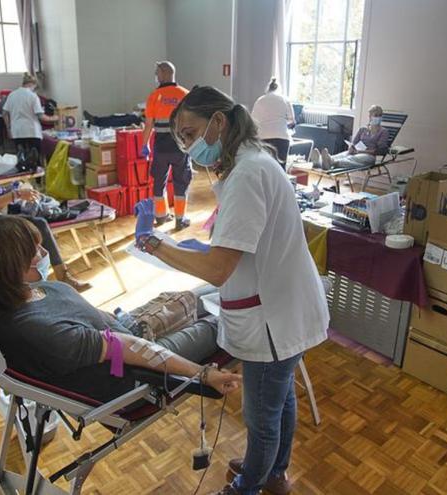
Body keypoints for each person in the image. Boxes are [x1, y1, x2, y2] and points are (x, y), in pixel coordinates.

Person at [135, 86, 329, 495]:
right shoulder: (253, 163)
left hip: (274, 318)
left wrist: (159, 247)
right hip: (284, 304)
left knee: (262, 417)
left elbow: (219, 269)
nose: (188, 146)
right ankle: (274, 471)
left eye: (190, 133)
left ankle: (248, 485)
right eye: (181, 138)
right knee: (280, 402)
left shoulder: (248, 174)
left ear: (219, 122)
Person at [0, 216, 242, 402]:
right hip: (140, 366)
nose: (45, 256)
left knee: (203, 294)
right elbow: (127, 348)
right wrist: (204, 374)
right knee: (229, 316)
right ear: (9, 267)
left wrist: (128, 323)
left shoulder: (23, 293)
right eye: (36, 253)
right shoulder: (36, 331)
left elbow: (100, 322)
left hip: (129, 331)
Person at [0, 107, 90, 291]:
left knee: (39, 224)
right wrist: (15, 195)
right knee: (23, 232)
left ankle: (62, 276)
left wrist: (17, 188)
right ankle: (24, 286)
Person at [141, 61, 192, 230]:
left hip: (161, 147)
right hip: (180, 146)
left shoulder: (153, 96)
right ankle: (180, 219)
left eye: (157, 73)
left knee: (159, 181)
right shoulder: (186, 95)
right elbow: (192, 123)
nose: (156, 76)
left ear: (164, 73)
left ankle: (161, 216)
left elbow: (148, 124)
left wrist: (145, 144)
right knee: (181, 182)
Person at [2, 73, 59, 161]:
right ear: (33, 84)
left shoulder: (12, 95)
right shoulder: (33, 96)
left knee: (21, 159)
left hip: (17, 132)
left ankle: (23, 173)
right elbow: (41, 116)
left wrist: (8, 128)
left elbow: (4, 113)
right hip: (32, 132)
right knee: (34, 159)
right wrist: (55, 118)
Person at [314, 105, 389, 171]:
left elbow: (380, 151)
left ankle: (332, 162)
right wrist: (351, 148)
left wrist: (360, 152)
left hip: (369, 156)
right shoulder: (363, 129)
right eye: (374, 115)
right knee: (341, 155)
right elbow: (354, 143)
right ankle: (319, 162)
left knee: (351, 159)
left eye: (379, 115)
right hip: (356, 152)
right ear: (369, 117)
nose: (377, 117)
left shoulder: (383, 131)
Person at [251, 78, 295, 168]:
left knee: (264, 166)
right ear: (279, 89)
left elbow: (253, 121)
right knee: (281, 168)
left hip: (263, 137)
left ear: (268, 89)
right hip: (282, 137)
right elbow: (292, 121)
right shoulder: (285, 100)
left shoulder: (260, 100)